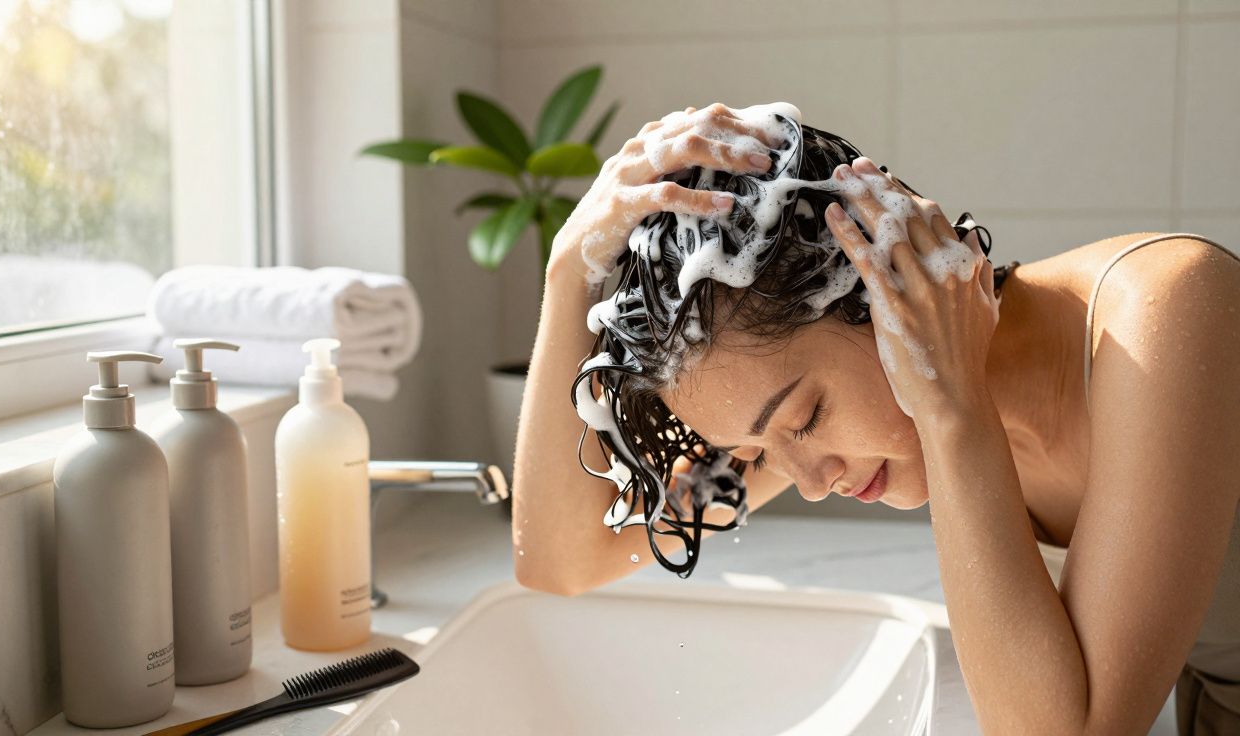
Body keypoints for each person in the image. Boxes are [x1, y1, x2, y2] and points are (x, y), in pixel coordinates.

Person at [511, 102, 1240, 734]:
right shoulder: (857, 434)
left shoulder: (1172, 311)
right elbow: (562, 560)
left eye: (806, 417)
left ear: (888, 289)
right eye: (756, 450)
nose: (809, 479)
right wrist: (569, 267)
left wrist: (952, 405)